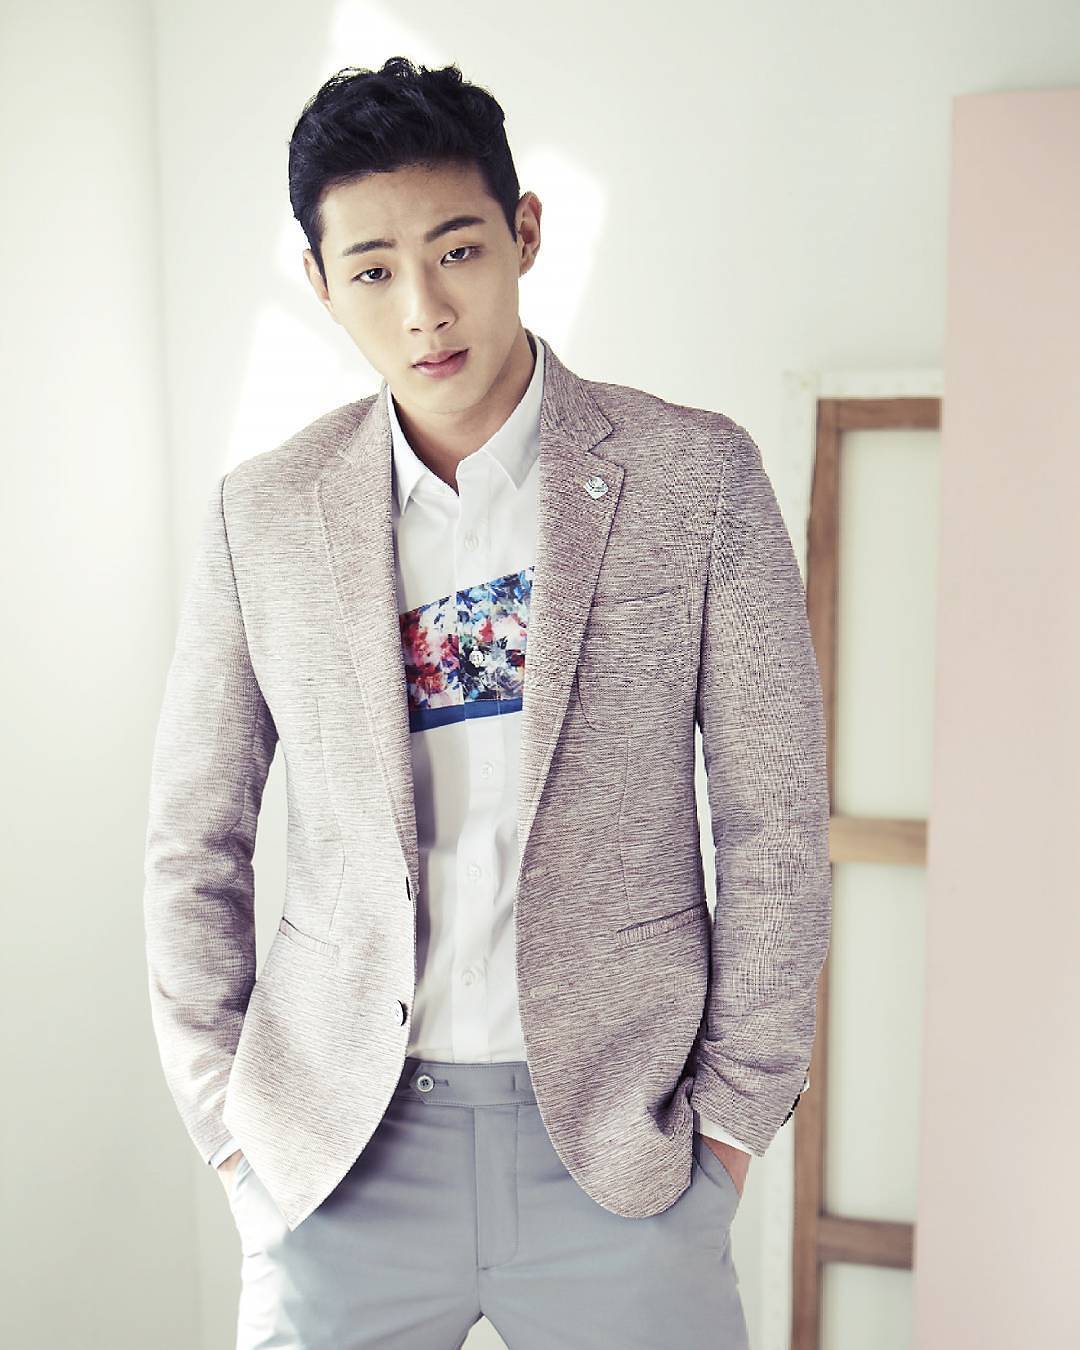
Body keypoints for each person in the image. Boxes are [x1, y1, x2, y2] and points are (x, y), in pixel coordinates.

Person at [143, 55, 831, 1350]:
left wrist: (731, 1130)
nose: (423, 310)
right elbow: (194, 841)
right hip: (337, 1156)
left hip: (620, 1153)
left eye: (457, 250)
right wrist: (235, 1143)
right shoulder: (265, 515)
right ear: (319, 284)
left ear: (524, 232)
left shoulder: (696, 479)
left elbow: (776, 826)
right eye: (372, 271)